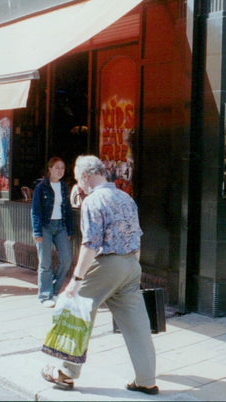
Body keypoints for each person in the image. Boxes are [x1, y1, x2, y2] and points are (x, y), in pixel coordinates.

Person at [40, 155, 157, 395]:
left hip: (107, 264)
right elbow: (137, 236)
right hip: (131, 264)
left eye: (77, 179)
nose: (78, 186)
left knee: (78, 309)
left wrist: (76, 280)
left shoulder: (93, 201)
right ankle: (146, 380)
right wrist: (132, 267)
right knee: (137, 324)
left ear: (85, 176)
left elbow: (90, 244)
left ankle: (65, 373)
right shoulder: (126, 197)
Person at [31, 157, 74, 307]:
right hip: (45, 227)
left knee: (67, 259)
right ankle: (44, 296)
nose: (60, 171)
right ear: (49, 169)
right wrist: (37, 232)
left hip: (60, 226)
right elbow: (35, 211)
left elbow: (67, 209)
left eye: (62, 168)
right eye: (57, 167)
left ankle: (54, 291)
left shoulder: (64, 187)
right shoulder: (41, 187)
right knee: (45, 262)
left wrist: (69, 229)